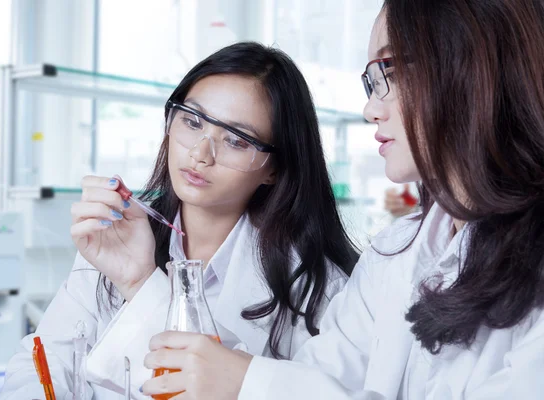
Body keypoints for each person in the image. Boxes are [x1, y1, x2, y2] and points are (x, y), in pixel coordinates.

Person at [141, 1, 544, 398]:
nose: (371, 110)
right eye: (192, 121)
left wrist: (249, 382)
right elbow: (317, 377)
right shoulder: (393, 255)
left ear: (476, 70)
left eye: (390, 72)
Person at [0, 42, 359, 399]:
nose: (201, 154)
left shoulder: (317, 290)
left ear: (274, 169)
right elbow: (43, 361)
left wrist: (140, 283)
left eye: (237, 140)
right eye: (193, 121)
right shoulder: (118, 232)